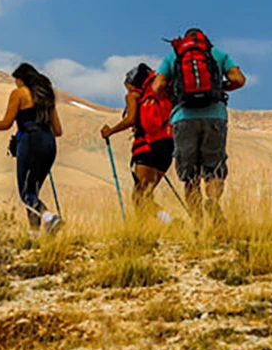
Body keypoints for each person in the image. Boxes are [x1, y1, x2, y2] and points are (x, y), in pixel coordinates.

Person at [153, 29, 244, 221]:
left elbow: (157, 86)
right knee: (214, 167)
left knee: (190, 175)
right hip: (215, 117)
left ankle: (197, 220)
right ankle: (213, 202)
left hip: (183, 117)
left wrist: (172, 96)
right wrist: (221, 87)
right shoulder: (218, 54)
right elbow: (239, 79)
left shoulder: (173, 56)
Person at [0, 63, 64, 232]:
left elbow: (6, 123)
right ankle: (34, 235)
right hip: (49, 142)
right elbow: (58, 131)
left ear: (20, 79)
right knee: (32, 192)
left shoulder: (19, 93)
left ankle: (49, 217)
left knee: (25, 193)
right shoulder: (47, 97)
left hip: (30, 140)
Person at [99, 63, 175, 214]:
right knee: (146, 194)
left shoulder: (133, 96)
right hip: (168, 144)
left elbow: (131, 119)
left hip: (146, 146)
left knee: (140, 196)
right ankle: (166, 224)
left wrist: (111, 131)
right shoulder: (162, 93)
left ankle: (167, 226)